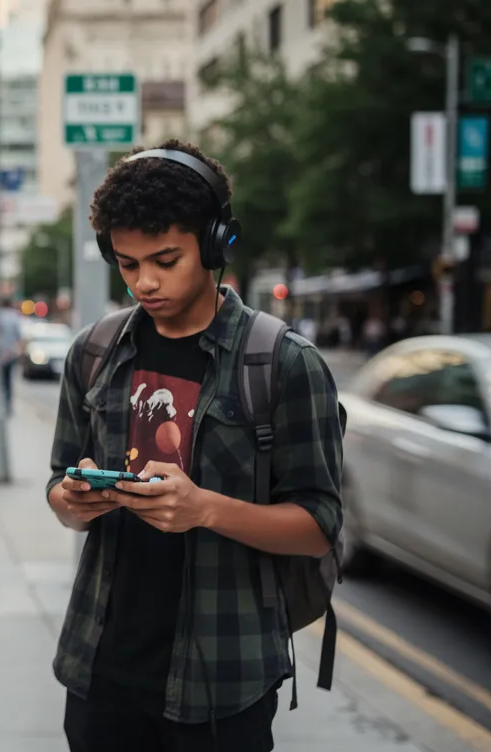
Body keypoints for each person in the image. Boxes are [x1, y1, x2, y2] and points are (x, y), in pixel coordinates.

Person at [46, 140, 344, 751]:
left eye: (165, 259)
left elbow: (319, 524)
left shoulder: (284, 363)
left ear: (215, 245)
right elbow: (58, 478)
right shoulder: (94, 353)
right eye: (127, 265)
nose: (144, 282)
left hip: (223, 684)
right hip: (100, 670)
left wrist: (204, 509)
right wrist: (71, 499)